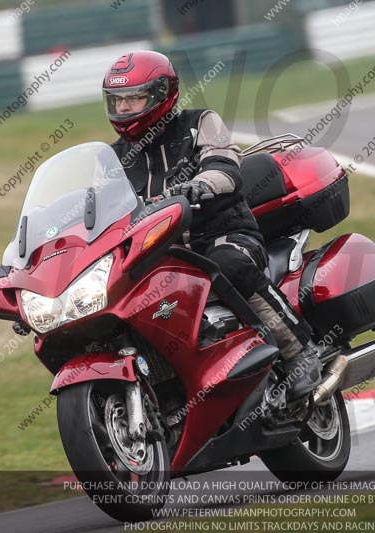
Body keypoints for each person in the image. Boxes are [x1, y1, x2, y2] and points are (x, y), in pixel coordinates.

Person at [102, 50, 321, 402]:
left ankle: (300, 351)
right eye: (117, 100)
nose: (124, 108)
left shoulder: (198, 123)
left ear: (162, 94)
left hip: (221, 234)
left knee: (229, 265)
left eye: (134, 98)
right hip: (160, 254)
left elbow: (225, 164)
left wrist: (201, 184)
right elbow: (93, 207)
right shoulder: (111, 158)